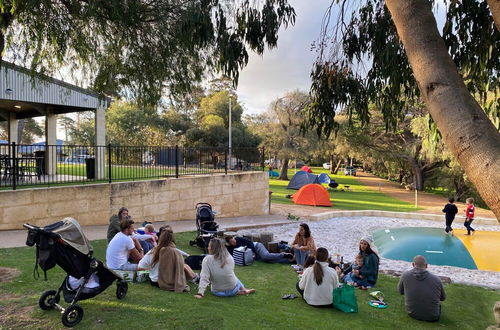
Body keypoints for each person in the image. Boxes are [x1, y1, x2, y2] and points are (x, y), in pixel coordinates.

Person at [398, 255, 446, 322]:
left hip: (412, 313)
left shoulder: (405, 275)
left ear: (413, 264)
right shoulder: (437, 279)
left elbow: (401, 292)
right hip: (433, 317)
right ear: (426, 266)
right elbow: (443, 298)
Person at [225, 235, 293, 264]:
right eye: (231, 242)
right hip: (253, 255)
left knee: (266, 256)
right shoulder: (231, 247)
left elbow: (250, 242)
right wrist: (228, 246)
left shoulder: (238, 239)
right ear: (229, 243)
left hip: (256, 246)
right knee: (269, 261)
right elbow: (232, 255)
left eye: (233, 240)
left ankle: (283, 254)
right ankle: (289, 260)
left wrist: (253, 252)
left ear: (234, 238)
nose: (233, 242)